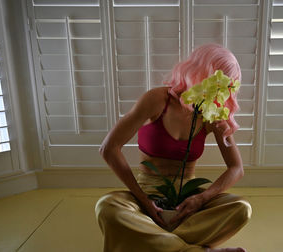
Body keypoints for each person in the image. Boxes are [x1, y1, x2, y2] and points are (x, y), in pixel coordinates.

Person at [95, 43, 252, 252]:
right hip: (146, 195)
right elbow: (109, 148)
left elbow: (236, 168)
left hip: (187, 205)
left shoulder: (211, 113)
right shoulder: (157, 100)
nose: (220, 91)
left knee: (241, 209)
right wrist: (143, 200)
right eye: (218, 82)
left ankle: (151, 241)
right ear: (200, 71)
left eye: (225, 87)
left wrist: (201, 199)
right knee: (107, 207)